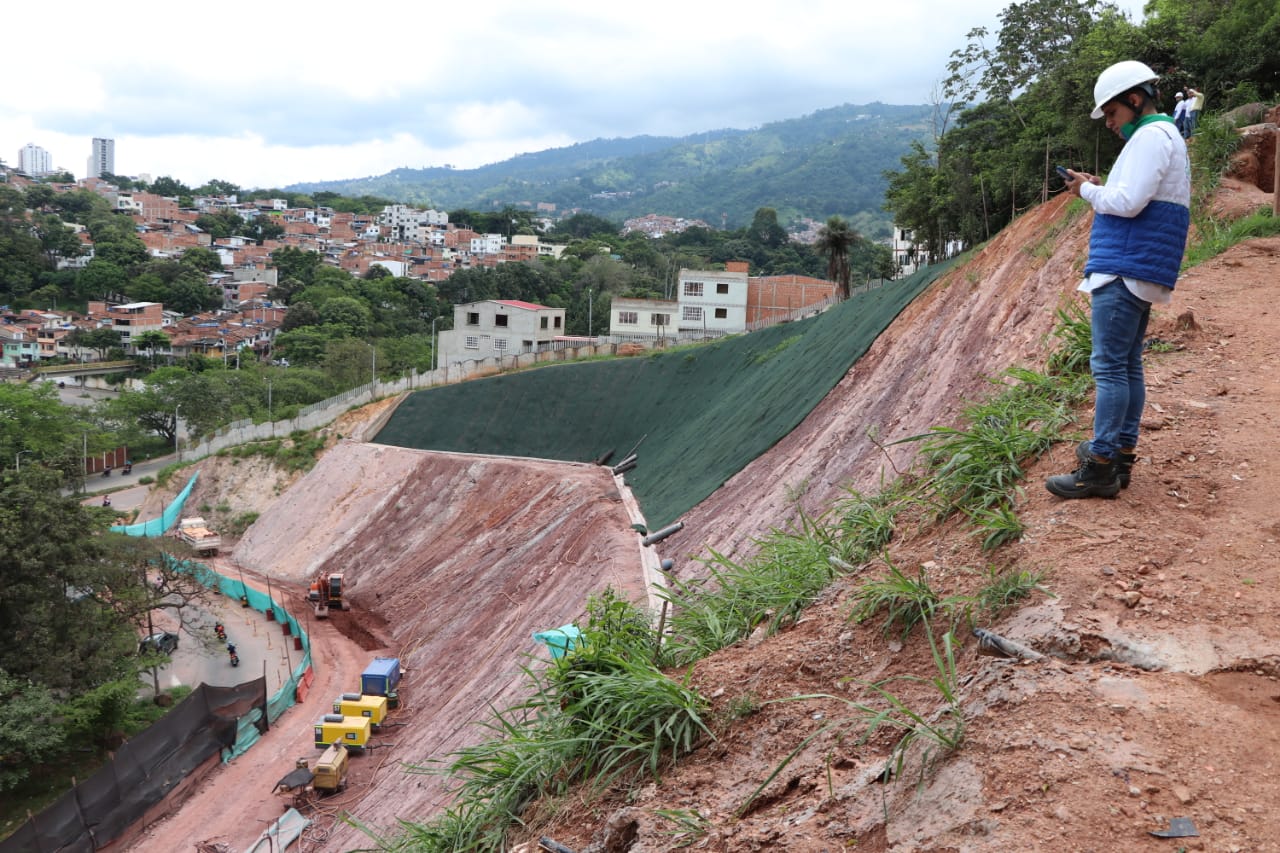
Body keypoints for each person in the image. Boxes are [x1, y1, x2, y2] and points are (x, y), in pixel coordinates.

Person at [1047, 60, 1191, 499]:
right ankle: (1120, 455)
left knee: (1109, 367)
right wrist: (1099, 185)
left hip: (1125, 267)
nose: (1109, 123)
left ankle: (1100, 465)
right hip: (1142, 266)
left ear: (1134, 99)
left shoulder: (1151, 137)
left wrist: (1085, 190)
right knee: (1128, 364)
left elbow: (1126, 203)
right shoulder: (1166, 136)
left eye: (1111, 113)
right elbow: (1135, 195)